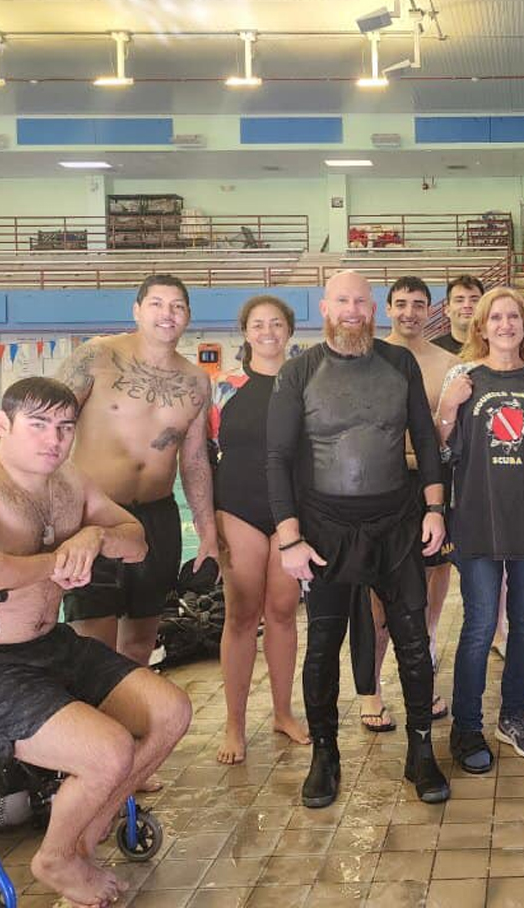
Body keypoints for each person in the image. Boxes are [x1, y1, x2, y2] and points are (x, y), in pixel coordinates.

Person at [0, 378, 192, 908]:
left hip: (50, 644)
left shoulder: (69, 481)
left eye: (64, 427)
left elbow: (136, 541)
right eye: (38, 424)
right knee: (107, 750)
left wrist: (94, 537)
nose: (54, 439)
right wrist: (62, 561)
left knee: (171, 711)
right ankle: (55, 856)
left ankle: (85, 834)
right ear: (3, 425)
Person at [268, 270, 449, 808]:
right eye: (342, 300)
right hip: (323, 526)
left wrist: (435, 508)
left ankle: (421, 749)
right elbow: (276, 459)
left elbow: (426, 439)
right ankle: (325, 755)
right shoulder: (299, 372)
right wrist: (289, 539)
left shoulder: (399, 363)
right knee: (323, 646)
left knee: (413, 640)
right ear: (324, 306)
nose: (352, 310)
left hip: (396, 519)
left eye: (361, 302)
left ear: (373, 309)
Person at [437, 287, 524, 772]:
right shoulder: (465, 380)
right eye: (495, 317)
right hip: (478, 519)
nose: (504, 324)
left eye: (513, 317)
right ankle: (467, 725)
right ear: (481, 326)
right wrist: (449, 411)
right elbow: (440, 454)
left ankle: (514, 716)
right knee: (478, 625)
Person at [56, 275, 218, 668]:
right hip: (93, 511)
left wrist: (208, 531)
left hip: (157, 517)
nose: (167, 314)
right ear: (137, 310)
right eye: (157, 304)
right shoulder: (96, 356)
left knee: (141, 643)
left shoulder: (196, 381)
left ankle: (132, 726)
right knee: (93, 643)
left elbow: (194, 461)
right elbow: (49, 425)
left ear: (188, 316)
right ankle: (96, 728)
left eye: (177, 306)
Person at [209, 295, 310, 764]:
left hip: (290, 513)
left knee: (285, 611)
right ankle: (234, 723)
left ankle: (283, 712)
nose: (267, 331)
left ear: (289, 330)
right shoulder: (224, 388)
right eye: (257, 324)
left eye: (276, 323)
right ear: (245, 332)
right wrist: (206, 517)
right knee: (242, 615)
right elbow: (202, 455)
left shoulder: (306, 381)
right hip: (239, 509)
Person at [357, 276, 457, 731]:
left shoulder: (450, 364)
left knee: (429, 584)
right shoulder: (367, 358)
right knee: (379, 594)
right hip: (382, 484)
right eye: (401, 304)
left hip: (433, 482)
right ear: (387, 308)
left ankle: (423, 666)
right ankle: (371, 689)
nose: (410, 313)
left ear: (431, 309)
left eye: (419, 304)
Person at [431, 274, 484, 354]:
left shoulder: (496, 348)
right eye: (459, 300)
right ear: (447, 310)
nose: (467, 305)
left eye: (474, 300)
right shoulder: (432, 351)